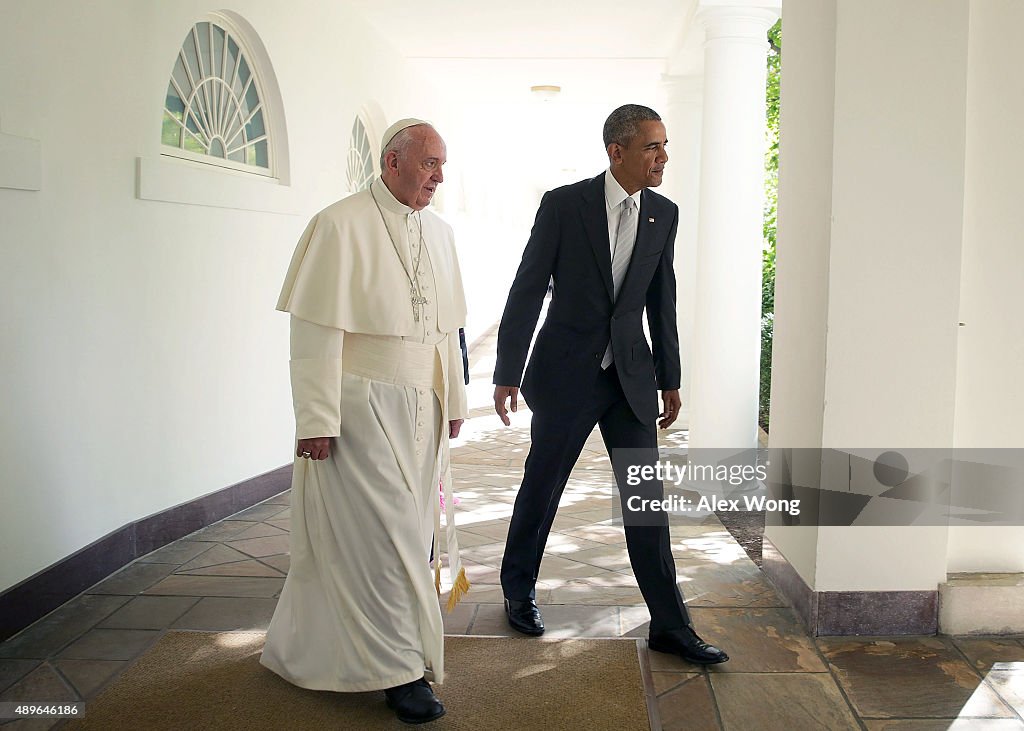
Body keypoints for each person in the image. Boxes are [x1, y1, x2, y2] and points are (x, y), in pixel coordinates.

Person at [492, 104, 729, 666]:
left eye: (664, 146)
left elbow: (661, 300)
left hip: (630, 377)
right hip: (566, 373)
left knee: (646, 499)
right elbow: (527, 290)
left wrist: (670, 377)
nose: (663, 157)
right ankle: (518, 590)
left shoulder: (663, 214)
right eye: (652, 147)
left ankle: (670, 625)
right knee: (542, 486)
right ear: (616, 151)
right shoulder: (563, 205)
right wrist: (507, 371)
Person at [261, 119, 471, 724]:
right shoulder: (339, 222)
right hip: (360, 405)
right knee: (386, 540)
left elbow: (445, 331)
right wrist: (316, 417)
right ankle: (401, 672)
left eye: (442, 165)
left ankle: (386, 654)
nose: (438, 176)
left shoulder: (442, 233)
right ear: (391, 162)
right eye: (429, 162)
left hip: (421, 405)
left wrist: (452, 400)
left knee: (412, 532)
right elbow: (315, 331)